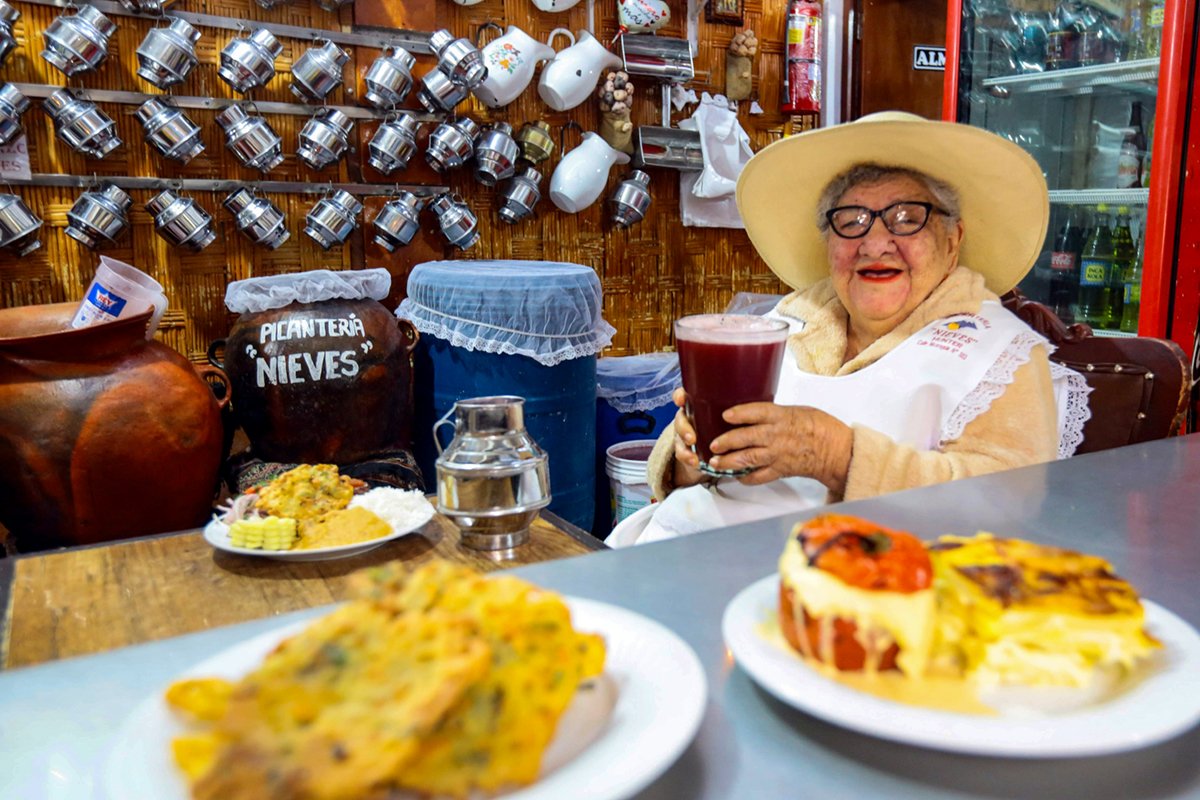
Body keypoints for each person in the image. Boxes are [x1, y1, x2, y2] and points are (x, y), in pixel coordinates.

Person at [609, 111, 1089, 546]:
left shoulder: (1001, 353)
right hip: (677, 551)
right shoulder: (782, 323)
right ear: (828, 244)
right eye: (851, 221)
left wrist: (836, 456)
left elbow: (1008, 512)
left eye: (907, 218)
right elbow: (685, 473)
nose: (875, 243)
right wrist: (690, 456)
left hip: (844, 587)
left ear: (952, 240)